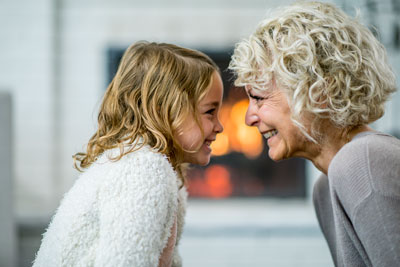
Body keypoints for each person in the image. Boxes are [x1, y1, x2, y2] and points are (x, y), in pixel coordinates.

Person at [229, 1, 400, 266]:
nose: (249, 118)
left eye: (260, 98)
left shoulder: (364, 159)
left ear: (319, 90)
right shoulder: (325, 186)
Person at [33, 41, 224, 267]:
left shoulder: (152, 168)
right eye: (210, 112)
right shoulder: (143, 170)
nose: (220, 126)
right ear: (167, 110)